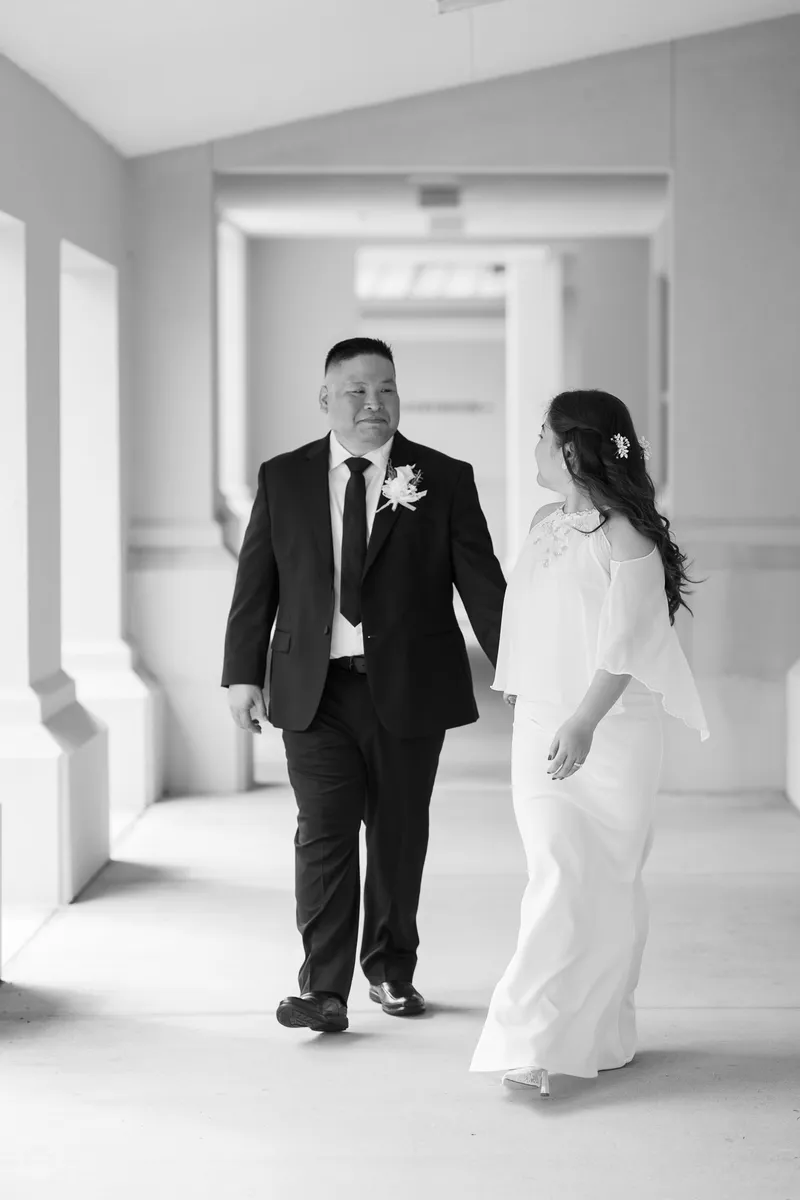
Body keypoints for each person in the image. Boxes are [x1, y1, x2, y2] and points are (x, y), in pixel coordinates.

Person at [221, 337, 506, 1034]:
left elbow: (483, 587)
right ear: (326, 399)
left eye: (386, 389)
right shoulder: (283, 478)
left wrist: (521, 673)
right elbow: (256, 581)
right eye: (357, 391)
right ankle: (322, 990)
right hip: (311, 690)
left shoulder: (443, 477)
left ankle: (390, 970)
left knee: (399, 833)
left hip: (410, 685)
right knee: (323, 833)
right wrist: (240, 672)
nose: (374, 404)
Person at [470, 389, 708, 1098]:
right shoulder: (546, 521)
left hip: (610, 731)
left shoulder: (626, 534)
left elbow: (629, 644)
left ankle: (603, 1032)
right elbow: (532, 616)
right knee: (556, 871)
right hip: (543, 729)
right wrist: (524, 693)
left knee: (608, 883)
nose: (535, 447)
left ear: (574, 449)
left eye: (543, 436)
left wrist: (583, 721)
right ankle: (532, 1039)